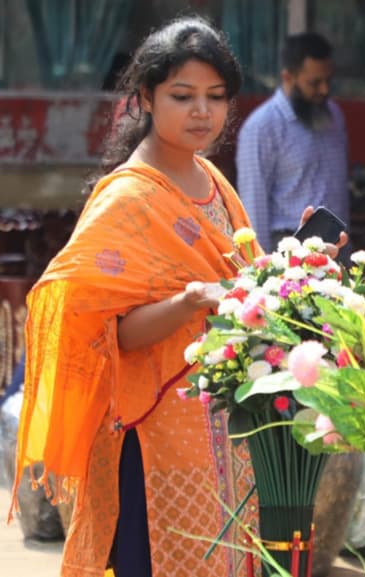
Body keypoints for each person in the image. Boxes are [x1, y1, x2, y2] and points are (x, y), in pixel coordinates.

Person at [11, 17, 345, 577]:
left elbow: (246, 292)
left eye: (216, 97)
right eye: (183, 96)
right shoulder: (126, 197)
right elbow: (106, 332)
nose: (202, 112)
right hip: (151, 438)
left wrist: (297, 265)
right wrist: (187, 305)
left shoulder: (214, 180)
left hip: (224, 433)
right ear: (145, 97)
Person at [236, 32, 350, 252]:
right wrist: (264, 266)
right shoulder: (262, 127)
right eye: (314, 83)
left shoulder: (334, 115)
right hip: (289, 248)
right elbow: (254, 205)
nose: (324, 90)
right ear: (288, 76)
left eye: (328, 80)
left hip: (336, 244)